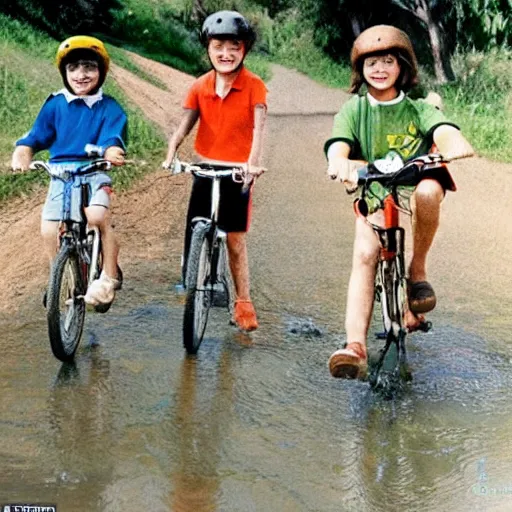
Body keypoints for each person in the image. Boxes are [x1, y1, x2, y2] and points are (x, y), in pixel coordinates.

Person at [325, 25, 474, 378]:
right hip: (375, 189)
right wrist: (339, 161)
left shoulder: (417, 108)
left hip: (415, 184)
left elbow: (442, 128)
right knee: (364, 255)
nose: (379, 69)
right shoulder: (354, 109)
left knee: (427, 192)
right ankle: (355, 346)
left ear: (403, 67)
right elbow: (338, 144)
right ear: (360, 69)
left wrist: (452, 142)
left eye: (388, 61)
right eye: (371, 62)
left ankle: (417, 270)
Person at [162, 10, 267, 332]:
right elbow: (185, 124)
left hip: (237, 170)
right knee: (194, 223)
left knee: (235, 239)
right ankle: (190, 276)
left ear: (244, 49)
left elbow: (259, 128)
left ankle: (243, 302)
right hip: (206, 165)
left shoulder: (254, 86)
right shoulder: (199, 86)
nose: (226, 54)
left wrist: (252, 164)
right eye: (218, 46)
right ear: (207, 48)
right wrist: (171, 152)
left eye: (234, 46)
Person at [11, 35, 126, 307]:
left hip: (93, 172)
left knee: (97, 215)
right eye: (73, 68)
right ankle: (59, 279)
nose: (81, 74)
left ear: (101, 71)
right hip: (60, 175)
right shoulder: (55, 104)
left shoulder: (109, 107)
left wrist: (112, 152)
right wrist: (22, 153)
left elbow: (113, 138)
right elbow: (35, 137)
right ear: (64, 72)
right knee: (49, 230)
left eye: (89, 67)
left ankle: (109, 277)